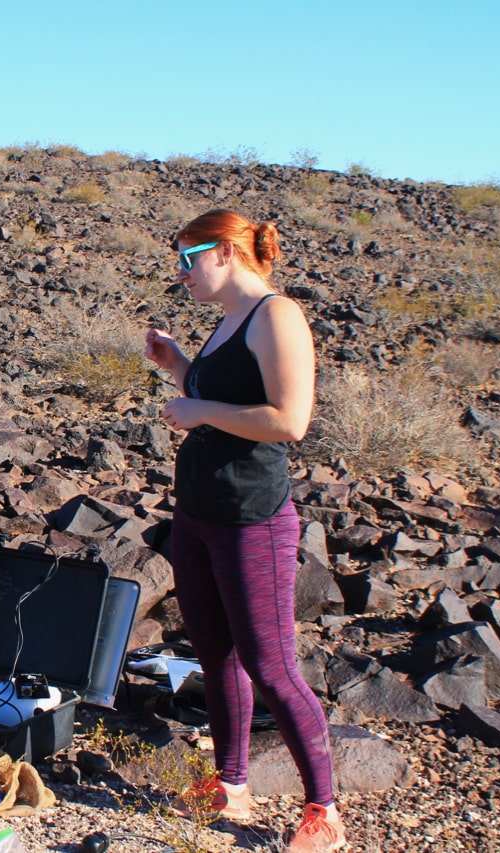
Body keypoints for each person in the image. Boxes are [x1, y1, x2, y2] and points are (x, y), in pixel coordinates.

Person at [144, 210, 345, 853]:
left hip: (251, 519)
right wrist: (179, 365)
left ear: (225, 251)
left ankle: (324, 812)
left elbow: (289, 420)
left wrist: (198, 406)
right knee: (215, 654)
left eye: (187, 259)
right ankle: (230, 783)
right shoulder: (228, 321)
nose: (181, 275)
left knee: (272, 665)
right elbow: (229, 406)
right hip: (199, 512)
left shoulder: (276, 316)